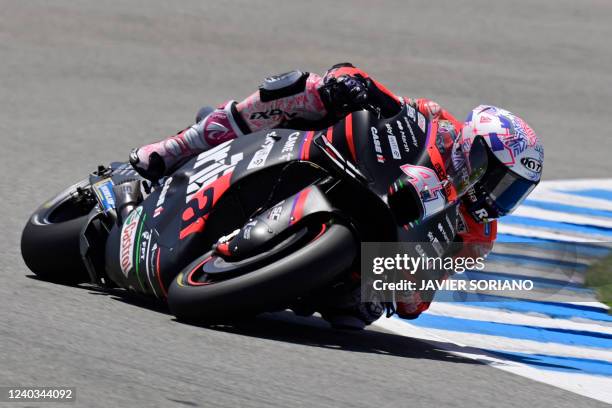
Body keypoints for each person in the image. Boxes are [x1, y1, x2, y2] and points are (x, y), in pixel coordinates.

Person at [130, 63, 544, 328]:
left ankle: (265, 275)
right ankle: (178, 147)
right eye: (495, 178)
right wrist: (352, 84)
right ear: (471, 150)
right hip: (352, 164)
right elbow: (396, 106)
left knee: (357, 315)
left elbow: (418, 302)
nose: (496, 196)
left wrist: (403, 284)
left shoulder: (478, 235)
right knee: (310, 88)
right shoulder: (441, 126)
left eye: (512, 191)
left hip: (359, 259)